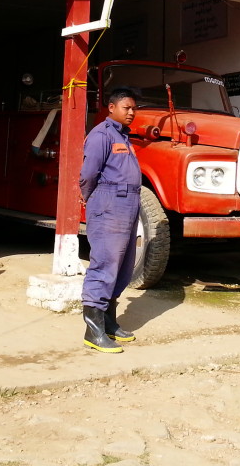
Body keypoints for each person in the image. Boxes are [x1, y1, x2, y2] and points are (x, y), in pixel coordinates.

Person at [79, 87, 142, 353]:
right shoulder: (101, 135)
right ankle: (92, 332)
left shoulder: (124, 137)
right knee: (105, 263)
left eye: (133, 108)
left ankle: (108, 322)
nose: (131, 112)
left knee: (122, 266)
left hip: (128, 203)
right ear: (111, 108)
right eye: (126, 107)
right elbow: (88, 173)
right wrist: (90, 198)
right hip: (109, 202)